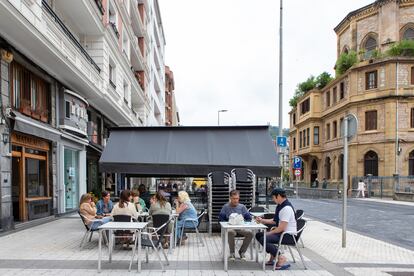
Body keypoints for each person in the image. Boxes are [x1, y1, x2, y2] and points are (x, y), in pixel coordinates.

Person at [255, 188, 296, 270]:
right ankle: (273, 255)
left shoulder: (286, 208)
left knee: (264, 238)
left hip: (288, 235)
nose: (273, 199)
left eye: (273, 197)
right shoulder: (280, 206)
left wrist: (269, 233)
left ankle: (280, 257)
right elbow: (275, 221)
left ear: (279, 196)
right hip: (282, 232)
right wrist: (262, 220)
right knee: (258, 235)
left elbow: (282, 228)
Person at [218, 190, 253, 261]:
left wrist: (242, 221)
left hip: (240, 228)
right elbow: (220, 220)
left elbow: (249, 219)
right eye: (234, 198)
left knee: (250, 233)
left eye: (237, 198)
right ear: (230, 198)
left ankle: (242, 252)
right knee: (230, 232)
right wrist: (228, 223)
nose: (236, 200)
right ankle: (232, 253)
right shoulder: (225, 207)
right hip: (230, 228)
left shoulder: (242, 207)